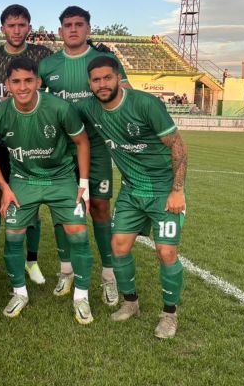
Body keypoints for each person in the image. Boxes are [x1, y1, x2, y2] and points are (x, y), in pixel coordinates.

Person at [83, 56, 189, 339]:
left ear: (118, 78)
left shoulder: (144, 104)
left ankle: (169, 314)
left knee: (166, 252)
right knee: (118, 246)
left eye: (107, 78)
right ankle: (131, 304)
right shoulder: (90, 108)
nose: (102, 84)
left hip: (163, 191)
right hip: (131, 191)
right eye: (96, 80)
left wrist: (177, 191)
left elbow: (178, 146)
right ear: (89, 83)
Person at [0, 57, 94, 322]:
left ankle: (82, 296)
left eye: (28, 81)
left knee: (77, 234)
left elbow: (82, 142)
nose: (23, 87)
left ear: (39, 82)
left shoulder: (60, 108)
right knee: (13, 235)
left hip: (61, 179)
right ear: (7, 84)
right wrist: (5, 187)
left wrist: (84, 185)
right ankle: (19, 292)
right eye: (16, 81)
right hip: (23, 180)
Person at [39, 5, 131, 306]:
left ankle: (108, 275)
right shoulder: (48, 66)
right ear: (60, 31)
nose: (74, 29)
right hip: (61, 150)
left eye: (79, 24)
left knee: (100, 209)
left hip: (98, 147)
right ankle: (66, 270)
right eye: (68, 25)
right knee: (63, 209)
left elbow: (126, 95)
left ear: (89, 29)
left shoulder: (104, 61)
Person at [0, 4, 54, 284]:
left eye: (22, 25)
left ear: (29, 28)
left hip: (35, 139)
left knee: (30, 201)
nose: (17, 30)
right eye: (11, 25)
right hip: (1, 140)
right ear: (3, 29)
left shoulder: (43, 55)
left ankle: (31, 261)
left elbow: (54, 90)